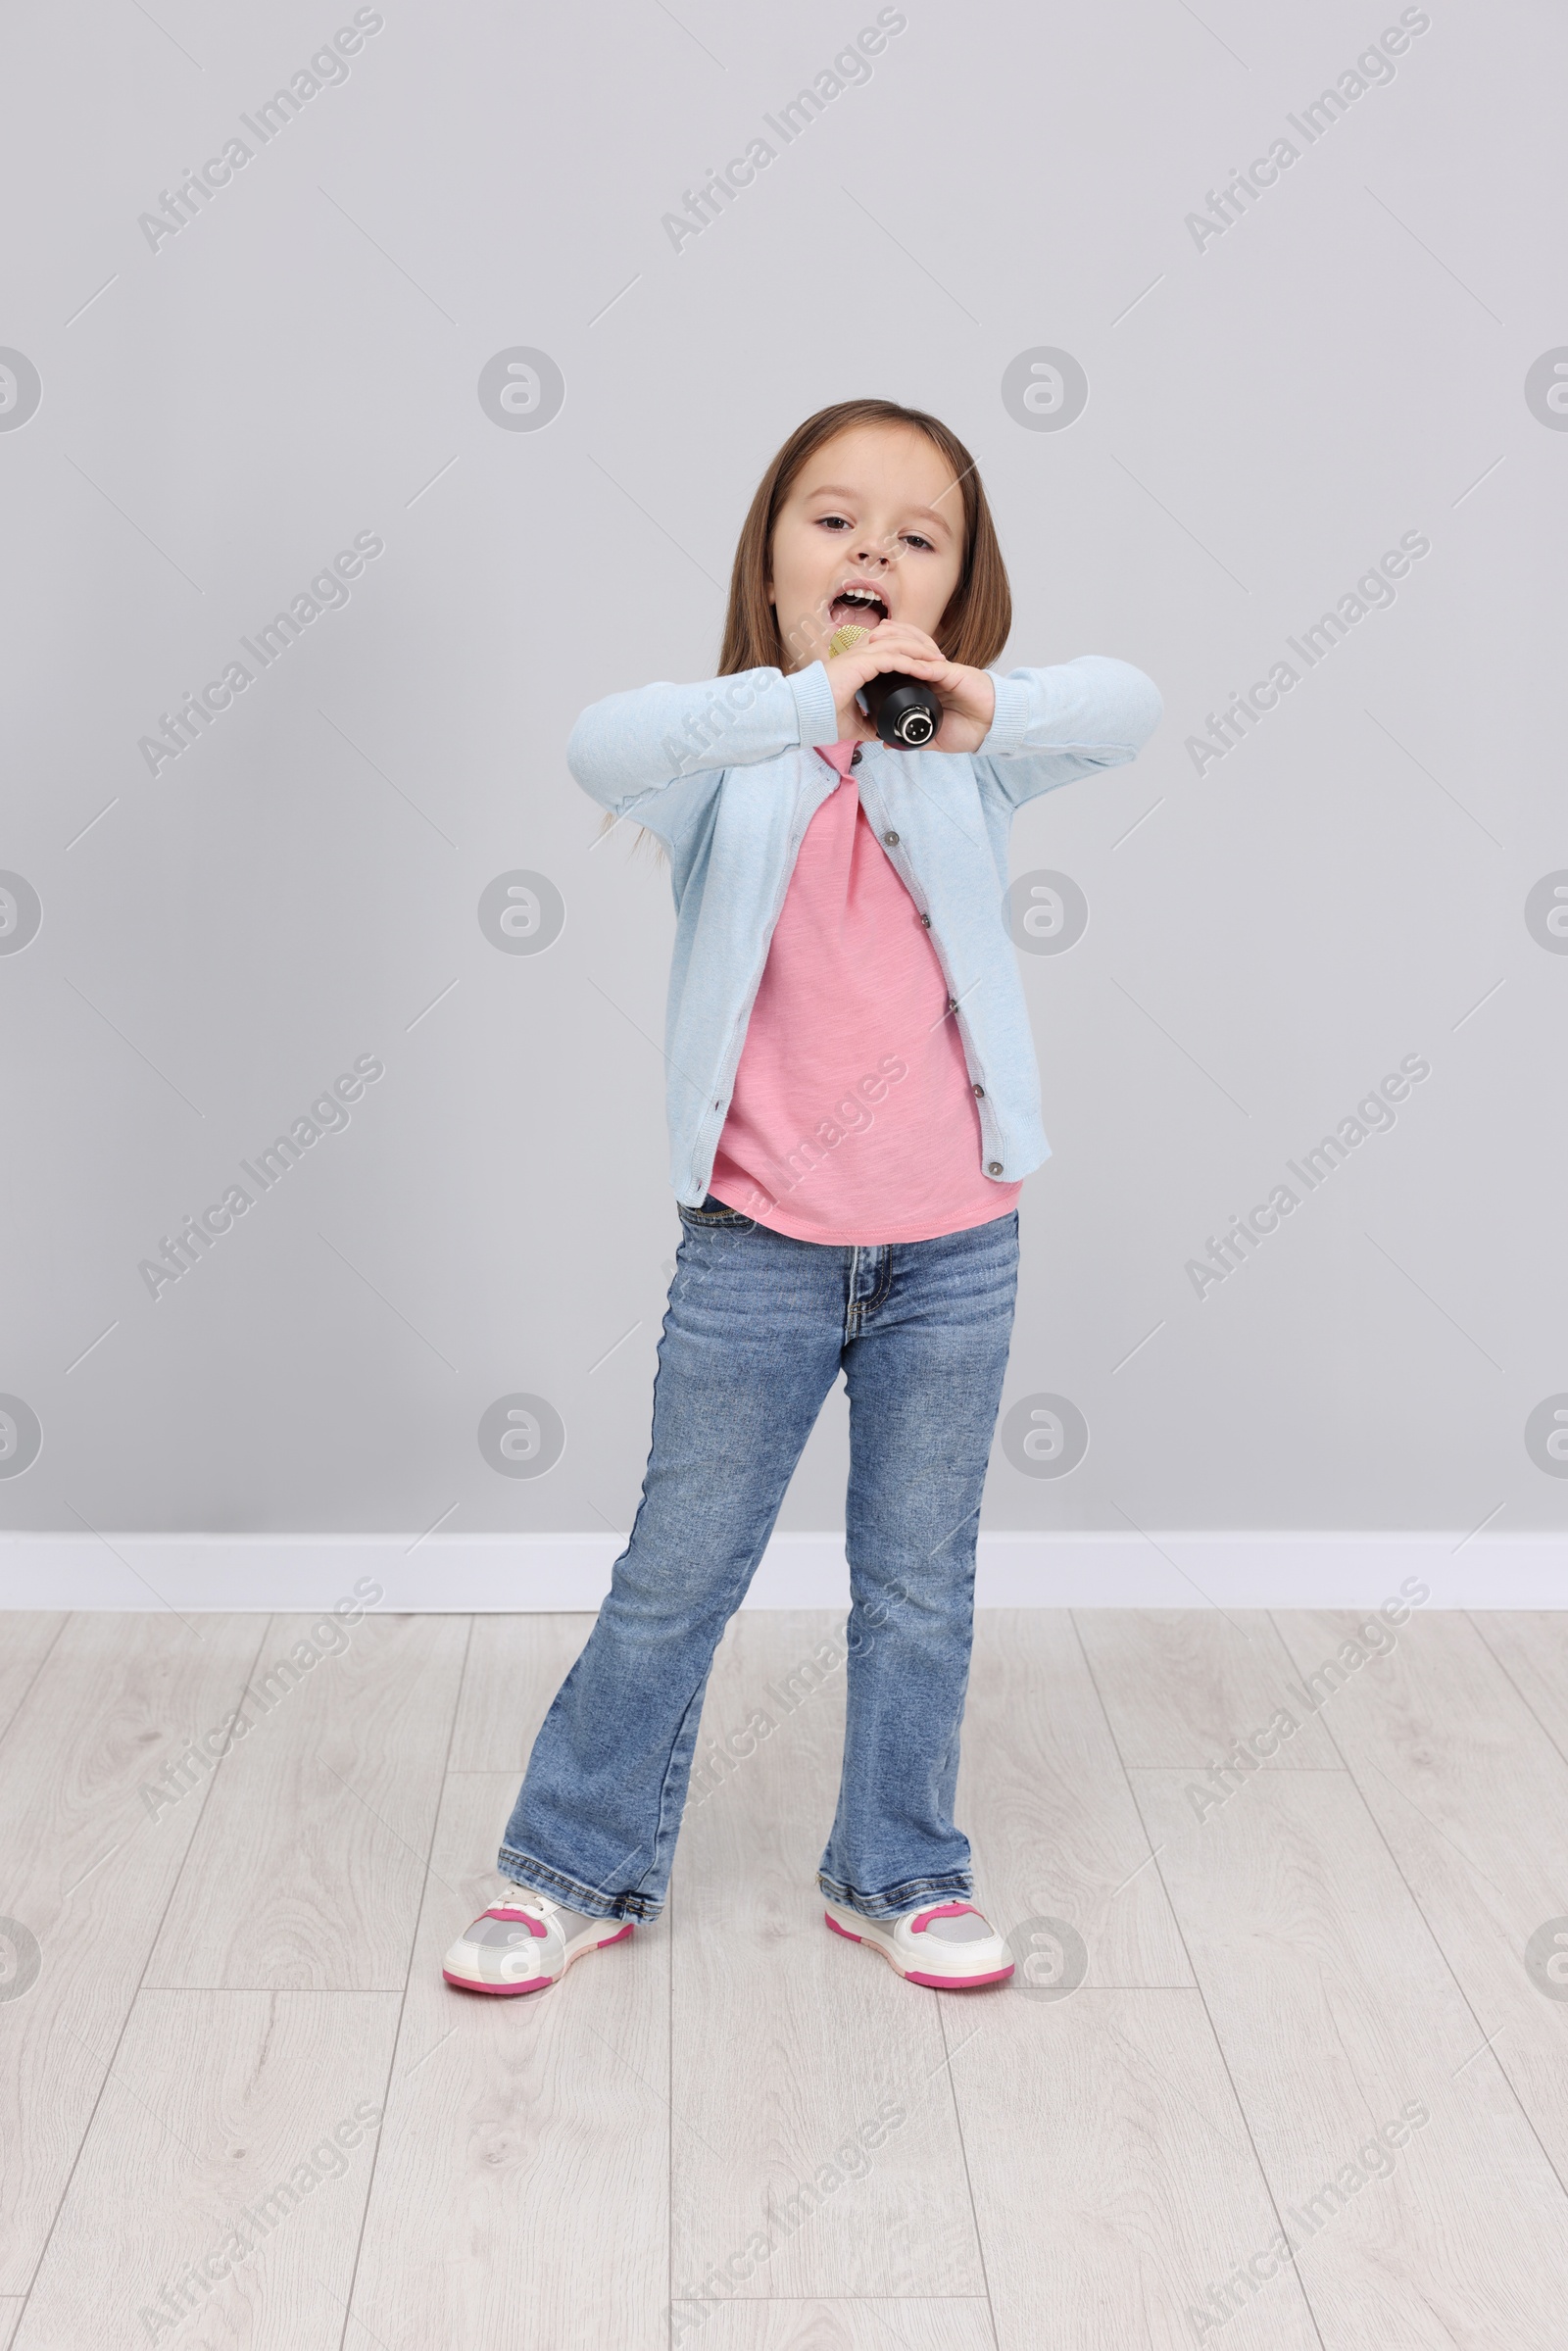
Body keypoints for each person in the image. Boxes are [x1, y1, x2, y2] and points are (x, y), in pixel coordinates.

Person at [443, 396, 1161, 1999]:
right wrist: (795, 701)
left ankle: (896, 1867)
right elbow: (599, 745)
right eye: (835, 520)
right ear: (772, 565)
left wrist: (971, 703)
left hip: (954, 1250)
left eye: (918, 537)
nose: (871, 550)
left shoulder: (968, 771)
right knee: (678, 1569)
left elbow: (1130, 707)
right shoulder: (729, 762)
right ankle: (573, 1863)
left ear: (954, 592)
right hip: (760, 1248)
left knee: (920, 1578)